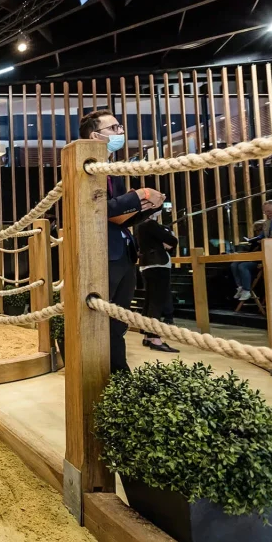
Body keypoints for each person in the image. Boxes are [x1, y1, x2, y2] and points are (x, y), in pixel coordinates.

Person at [80, 110, 165, 373]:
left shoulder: (111, 170)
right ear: (96, 136)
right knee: (102, 321)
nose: (120, 132)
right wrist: (137, 195)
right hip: (103, 254)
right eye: (114, 128)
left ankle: (118, 373)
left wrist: (147, 208)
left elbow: (118, 219)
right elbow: (97, 208)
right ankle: (109, 374)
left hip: (124, 253)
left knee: (119, 322)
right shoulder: (85, 167)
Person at [137, 211, 178, 352]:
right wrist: (169, 242)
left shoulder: (140, 225)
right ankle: (155, 338)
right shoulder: (151, 224)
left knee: (149, 301)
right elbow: (172, 241)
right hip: (158, 265)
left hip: (146, 265)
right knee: (157, 302)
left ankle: (148, 336)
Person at [230, 221, 265, 301]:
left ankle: (246, 290)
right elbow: (251, 252)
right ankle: (240, 287)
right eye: (256, 230)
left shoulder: (266, 239)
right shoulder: (255, 241)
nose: (257, 232)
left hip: (258, 262)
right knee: (234, 265)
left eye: (259, 230)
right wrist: (239, 253)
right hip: (251, 259)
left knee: (242, 266)